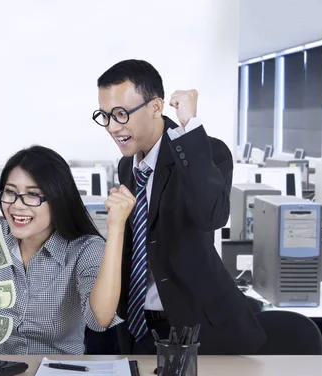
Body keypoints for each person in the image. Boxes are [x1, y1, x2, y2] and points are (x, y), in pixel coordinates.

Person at [93, 59, 267, 355]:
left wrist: (190, 127)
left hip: (195, 327)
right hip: (139, 327)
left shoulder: (206, 152)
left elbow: (211, 215)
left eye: (121, 114)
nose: (112, 126)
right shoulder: (127, 167)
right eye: (105, 116)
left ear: (155, 106)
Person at [0, 145, 135, 355]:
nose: (17, 205)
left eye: (33, 195)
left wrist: (116, 227)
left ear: (57, 198)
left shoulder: (84, 248)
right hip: (3, 374)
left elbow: (100, 320)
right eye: (10, 193)